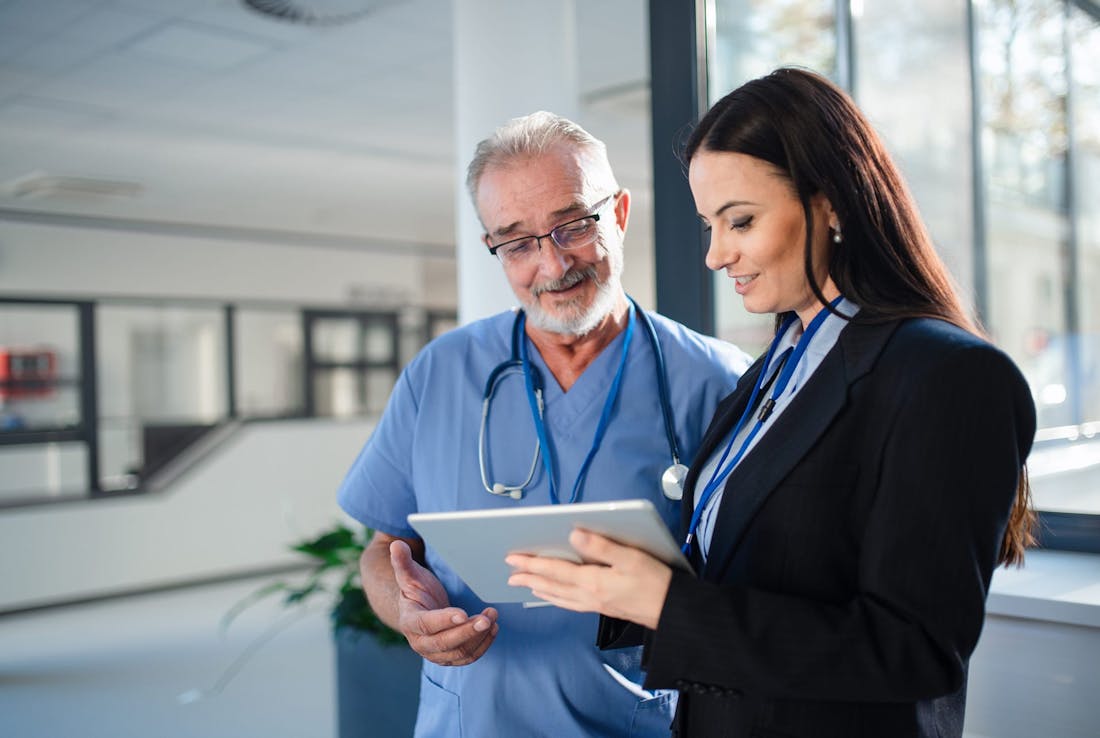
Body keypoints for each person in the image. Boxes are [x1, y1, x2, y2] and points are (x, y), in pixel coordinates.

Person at [506, 68, 1037, 738]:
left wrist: (670, 604)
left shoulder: (945, 376)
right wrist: (626, 583)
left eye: (741, 221)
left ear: (833, 203)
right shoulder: (775, 369)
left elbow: (914, 652)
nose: (714, 254)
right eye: (708, 225)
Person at [337, 111, 751, 737]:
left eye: (572, 226)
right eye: (519, 242)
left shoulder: (716, 381)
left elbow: (758, 587)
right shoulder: (440, 374)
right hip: (469, 722)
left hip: (637, 721)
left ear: (619, 213)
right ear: (493, 250)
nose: (553, 266)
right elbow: (384, 547)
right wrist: (407, 613)